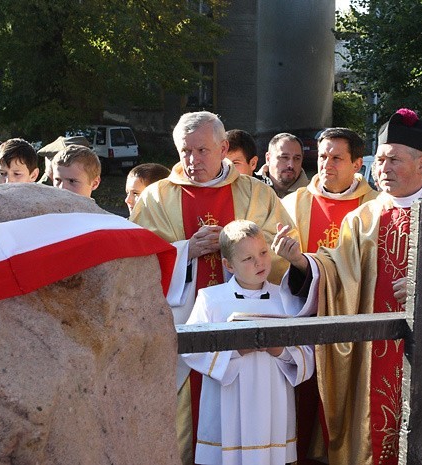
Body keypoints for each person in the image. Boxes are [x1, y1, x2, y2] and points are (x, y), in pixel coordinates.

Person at [273, 108, 422, 465]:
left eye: (394, 161)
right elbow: (337, 271)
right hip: (376, 351)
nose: (383, 168)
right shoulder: (363, 218)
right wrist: (301, 262)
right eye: (380, 160)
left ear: (421, 164)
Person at [130, 111, 297, 465]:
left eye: (202, 150)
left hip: (247, 349)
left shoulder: (256, 194)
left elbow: (282, 258)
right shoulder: (156, 198)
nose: (192, 160)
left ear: (223, 147)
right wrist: (185, 250)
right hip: (179, 335)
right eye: (184, 151)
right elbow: (135, 264)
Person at [281, 127, 377, 464]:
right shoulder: (292, 204)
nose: (327, 164)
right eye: (323, 156)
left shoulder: (375, 208)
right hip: (304, 324)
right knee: (301, 410)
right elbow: (278, 269)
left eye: (337, 158)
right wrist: (294, 263)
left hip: (354, 328)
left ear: (358, 164)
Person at [182, 220, 314, 465]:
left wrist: (281, 351)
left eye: (263, 253)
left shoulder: (286, 297)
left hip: (273, 401)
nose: (260, 262)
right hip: (227, 401)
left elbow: (307, 353)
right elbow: (192, 349)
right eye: (248, 259)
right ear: (228, 265)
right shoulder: (210, 299)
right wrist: (234, 351)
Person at [256, 133, 309, 198]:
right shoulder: (249, 188)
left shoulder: (312, 195)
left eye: (297, 159)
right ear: (268, 159)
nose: (291, 165)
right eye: (285, 157)